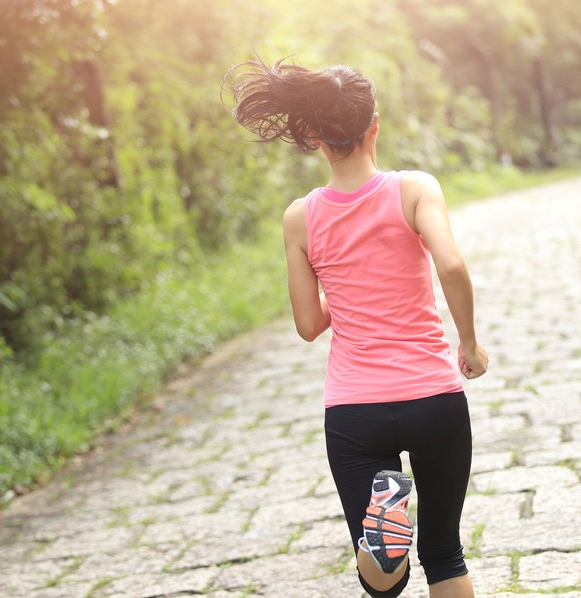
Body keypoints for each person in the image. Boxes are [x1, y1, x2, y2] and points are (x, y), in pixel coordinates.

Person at [228, 57, 488, 598]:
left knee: (383, 582)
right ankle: (392, 539)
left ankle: (383, 542)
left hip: (354, 411)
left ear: (317, 140)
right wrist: (469, 342)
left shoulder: (300, 216)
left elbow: (307, 323)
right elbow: (454, 266)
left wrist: (346, 292)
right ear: (375, 125)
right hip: (432, 397)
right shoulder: (414, 189)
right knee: (444, 552)